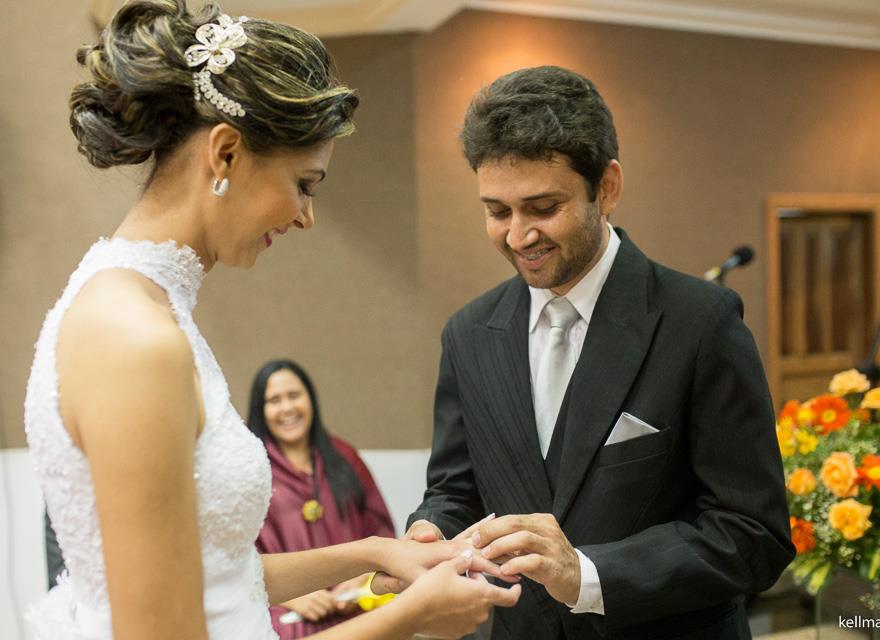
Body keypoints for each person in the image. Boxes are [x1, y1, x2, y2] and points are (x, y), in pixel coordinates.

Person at [23, 2, 519, 638]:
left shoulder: (145, 309)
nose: (306, 217)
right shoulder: (133, 338)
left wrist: (375, 553)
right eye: (305, 184)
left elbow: (216, 580)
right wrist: (411, 616)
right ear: (226, 153)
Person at [405, 66, 795, 639]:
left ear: (607, 186)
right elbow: (455, 490)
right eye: (497, 211)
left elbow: (753, 535)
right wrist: (432, 532)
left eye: (543, 207)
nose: (518, 236)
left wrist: (588, 575)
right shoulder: (467, 333)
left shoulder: (701, 322)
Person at [247, 359, 395, 637]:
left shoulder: (345, 457)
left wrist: (361, 576)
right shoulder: (250, 470)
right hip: (283, 615)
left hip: (354, 608)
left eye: (294, 395)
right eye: (274, 400)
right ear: (261, 409)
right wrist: (289, 595)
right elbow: (237, 557)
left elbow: (380, 530)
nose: (287, 407)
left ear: (310, 399)